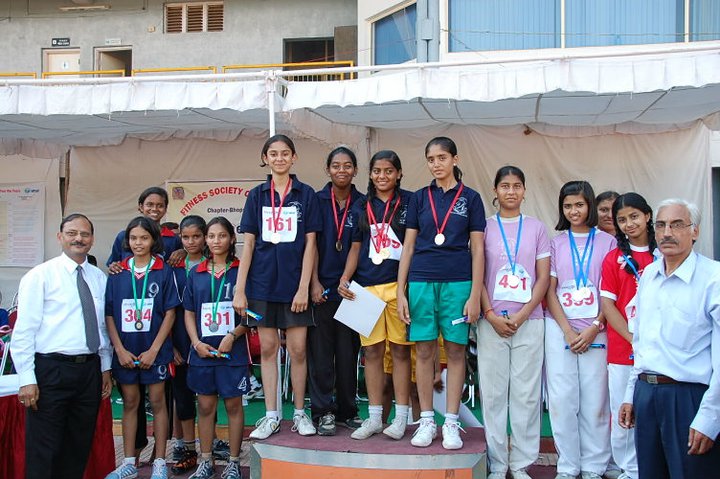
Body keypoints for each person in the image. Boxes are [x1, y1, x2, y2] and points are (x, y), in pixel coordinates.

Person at [619, 198, 720, 478]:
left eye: (677, 225)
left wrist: (710, 417)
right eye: (661, 225)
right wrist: (631, 394)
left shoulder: (713, 278)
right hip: (647, 394)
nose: (666, 233)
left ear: (695, 231)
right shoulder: (649, 275)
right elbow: (641, 342)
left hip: (689, 398)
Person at [397, 137, 485, 450]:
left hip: (458, 282)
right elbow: (408, 246)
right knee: (423, 351)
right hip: (421, 281)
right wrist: (401, 291)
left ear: (455, 159)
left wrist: (475, 294)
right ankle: (426, 421)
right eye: (431, 159)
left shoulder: (471, 198)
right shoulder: (419, 198)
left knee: (456, 351)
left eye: (442, 157)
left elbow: (478, 249)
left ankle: (450, 421)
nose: (436, 164)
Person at [11, 213, 112, 479]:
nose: (79, 238)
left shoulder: (99, 278)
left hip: (88, 371)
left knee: (78, 446)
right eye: (72, 233)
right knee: (44, 448)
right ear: (60, 237)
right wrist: (26, 378)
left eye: (85, 234)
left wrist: (104, 367)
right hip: (51, 371)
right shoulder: (40, 276)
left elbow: (102, 328)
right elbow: (24, 330)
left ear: (92, 240)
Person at [233, 134, 321, 439]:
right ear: (265, 158)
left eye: (285, 153)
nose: (279, 158)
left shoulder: (306, 194)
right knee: (268, 349)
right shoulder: (256, 196)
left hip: (294, 286)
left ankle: (299, 413)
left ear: (294, 158)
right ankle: (271, 416)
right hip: (261, 286)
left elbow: (311, 244)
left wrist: (303, 287)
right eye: (273, 153)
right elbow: (248, 244)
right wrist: (240, 289)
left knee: (298, 350)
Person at [479, 166, 550, 478]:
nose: (511, 191)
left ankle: (521, 464)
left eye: (517, 186)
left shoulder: (537, 228)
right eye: (505, 186)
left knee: (526, 394)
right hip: (491, 322)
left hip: (529, 321)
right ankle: (497, 463)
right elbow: (477, 275)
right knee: (494, 395)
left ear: (524, 190)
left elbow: (543, 278)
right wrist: (490, 315)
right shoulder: (483, 227)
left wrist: (522, 315)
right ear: (495, 190)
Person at [338, 150, 413, 441]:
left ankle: (401, 417)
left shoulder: (409, 202)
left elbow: (411, 245)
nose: (383, 176)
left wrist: (406, 287)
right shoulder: (361, 205)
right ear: (370, 174)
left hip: (397, 287)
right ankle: (374, 418)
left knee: (400, 351)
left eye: (389, 171)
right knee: (371, 353)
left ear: (399, 173)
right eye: (377, 171)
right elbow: (355, 248)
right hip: (366, 288)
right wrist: (345, 278)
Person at [544, 181, 616, 479]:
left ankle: (594, 466)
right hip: (559, 329)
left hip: (597, 330)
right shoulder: (556, 243)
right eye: (567, 206)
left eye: (579, 205)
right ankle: (568, 465)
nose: (573, 211)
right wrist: (567, 330)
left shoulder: (608, 242)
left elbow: (611, 292)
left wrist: (595, 326)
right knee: (562, 399)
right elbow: (549, 290)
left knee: (596, 400)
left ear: (590, 206)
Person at [104, 216, 180, 479]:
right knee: (130, 403)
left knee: (158, 402)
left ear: (153, 240)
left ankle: (159, 460)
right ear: (127, 241)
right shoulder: (117, 272)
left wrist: (155, 350)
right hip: (126, 351)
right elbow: (109, 314)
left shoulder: (163, 271)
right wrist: (119, 350)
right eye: (134, 238)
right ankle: (128, 462)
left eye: (144, 238)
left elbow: (170, 313)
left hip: (154, 351)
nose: (138, 243)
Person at [184, 217, 249, 479]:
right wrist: (196, 343)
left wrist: (233, 335)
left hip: (233, 352)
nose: (216, 241)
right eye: (211, 236)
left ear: (232, 239)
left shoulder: (242, 271)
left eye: (222, 235)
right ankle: (206, 460)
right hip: (203, 352)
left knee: (233, 406)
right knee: (205, 407)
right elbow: (189, 312)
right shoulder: (196, 273)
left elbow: (253, 313)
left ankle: (233, 462)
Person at [600, 193, 656, 479]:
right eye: (622, 219)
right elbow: (608, 305)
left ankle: (652, 466)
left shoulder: (664, 255)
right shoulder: (614, 258)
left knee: (653, 411)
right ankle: (629, 469)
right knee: (622, 410)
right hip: (624, 348)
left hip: (660, 349)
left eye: (634, 216)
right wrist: (632, 337)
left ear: (648, 216)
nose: (629, 224)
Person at [309, 146, 365, 435]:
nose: (341, 170)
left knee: (348, 353)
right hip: (321, 289)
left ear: (355, 170)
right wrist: (314, 282)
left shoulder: (363, 202)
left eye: (347, 166)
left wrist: (348, 280)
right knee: (320, 356)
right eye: (336, 165)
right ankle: (323, 412)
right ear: (328, 169)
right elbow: (310, 245)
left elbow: (359, 246)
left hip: (352, 291)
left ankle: (347, 411)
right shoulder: (316, 201)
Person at [170, 215, 206, 474]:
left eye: (196, 236)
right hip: (179, 341)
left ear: (205, 237)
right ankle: (188, 448)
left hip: (207, 340)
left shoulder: (214, 264)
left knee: (207, 398)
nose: (191, 241)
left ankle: (209, 445)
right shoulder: (172, 267)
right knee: (182, 397)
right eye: (186, 237)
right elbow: (166, 311)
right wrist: (170, 346)